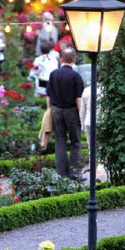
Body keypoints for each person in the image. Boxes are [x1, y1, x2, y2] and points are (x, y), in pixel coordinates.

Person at [47, 47, 85, 180]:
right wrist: (82, 115)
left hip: (56, 110)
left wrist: (49, 111)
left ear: (61, 59)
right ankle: (74, 172)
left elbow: (48, 96)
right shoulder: (76, 76)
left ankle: (61, 173)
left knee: (60, 140)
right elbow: (78, 99)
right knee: (75, 141)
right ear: (74, 59)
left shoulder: (53, 74)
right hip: (71, 111)